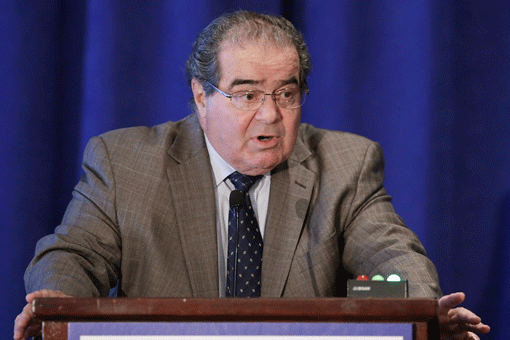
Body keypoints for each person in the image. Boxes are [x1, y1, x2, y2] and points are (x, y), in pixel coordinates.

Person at [14, 11, 489, 340]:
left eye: (286, 94)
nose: (270, 116)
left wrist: (421, 314)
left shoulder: (346, 164)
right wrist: (58, 302)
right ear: (201, 97)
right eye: (247, 95)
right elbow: (72, 253)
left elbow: (393, 256)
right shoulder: (125, 163)